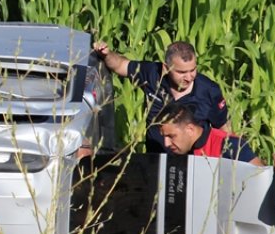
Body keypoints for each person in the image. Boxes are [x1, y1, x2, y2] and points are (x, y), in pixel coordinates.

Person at [92, 39, 229, 153]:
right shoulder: (153, 74)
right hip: (154, 158)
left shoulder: (209, 91)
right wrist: (106, 54)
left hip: (192, 163)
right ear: (165, 68)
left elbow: (224, 132)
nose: (189, 77)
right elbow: (121, 65)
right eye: (181, 72)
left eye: (193, 70)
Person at [156, 104, 263, 165]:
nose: (166, 143)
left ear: (190, 129)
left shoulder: (229, 144)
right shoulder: (177, 152)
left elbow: (260, 176)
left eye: (171, 136)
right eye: (164, 136)